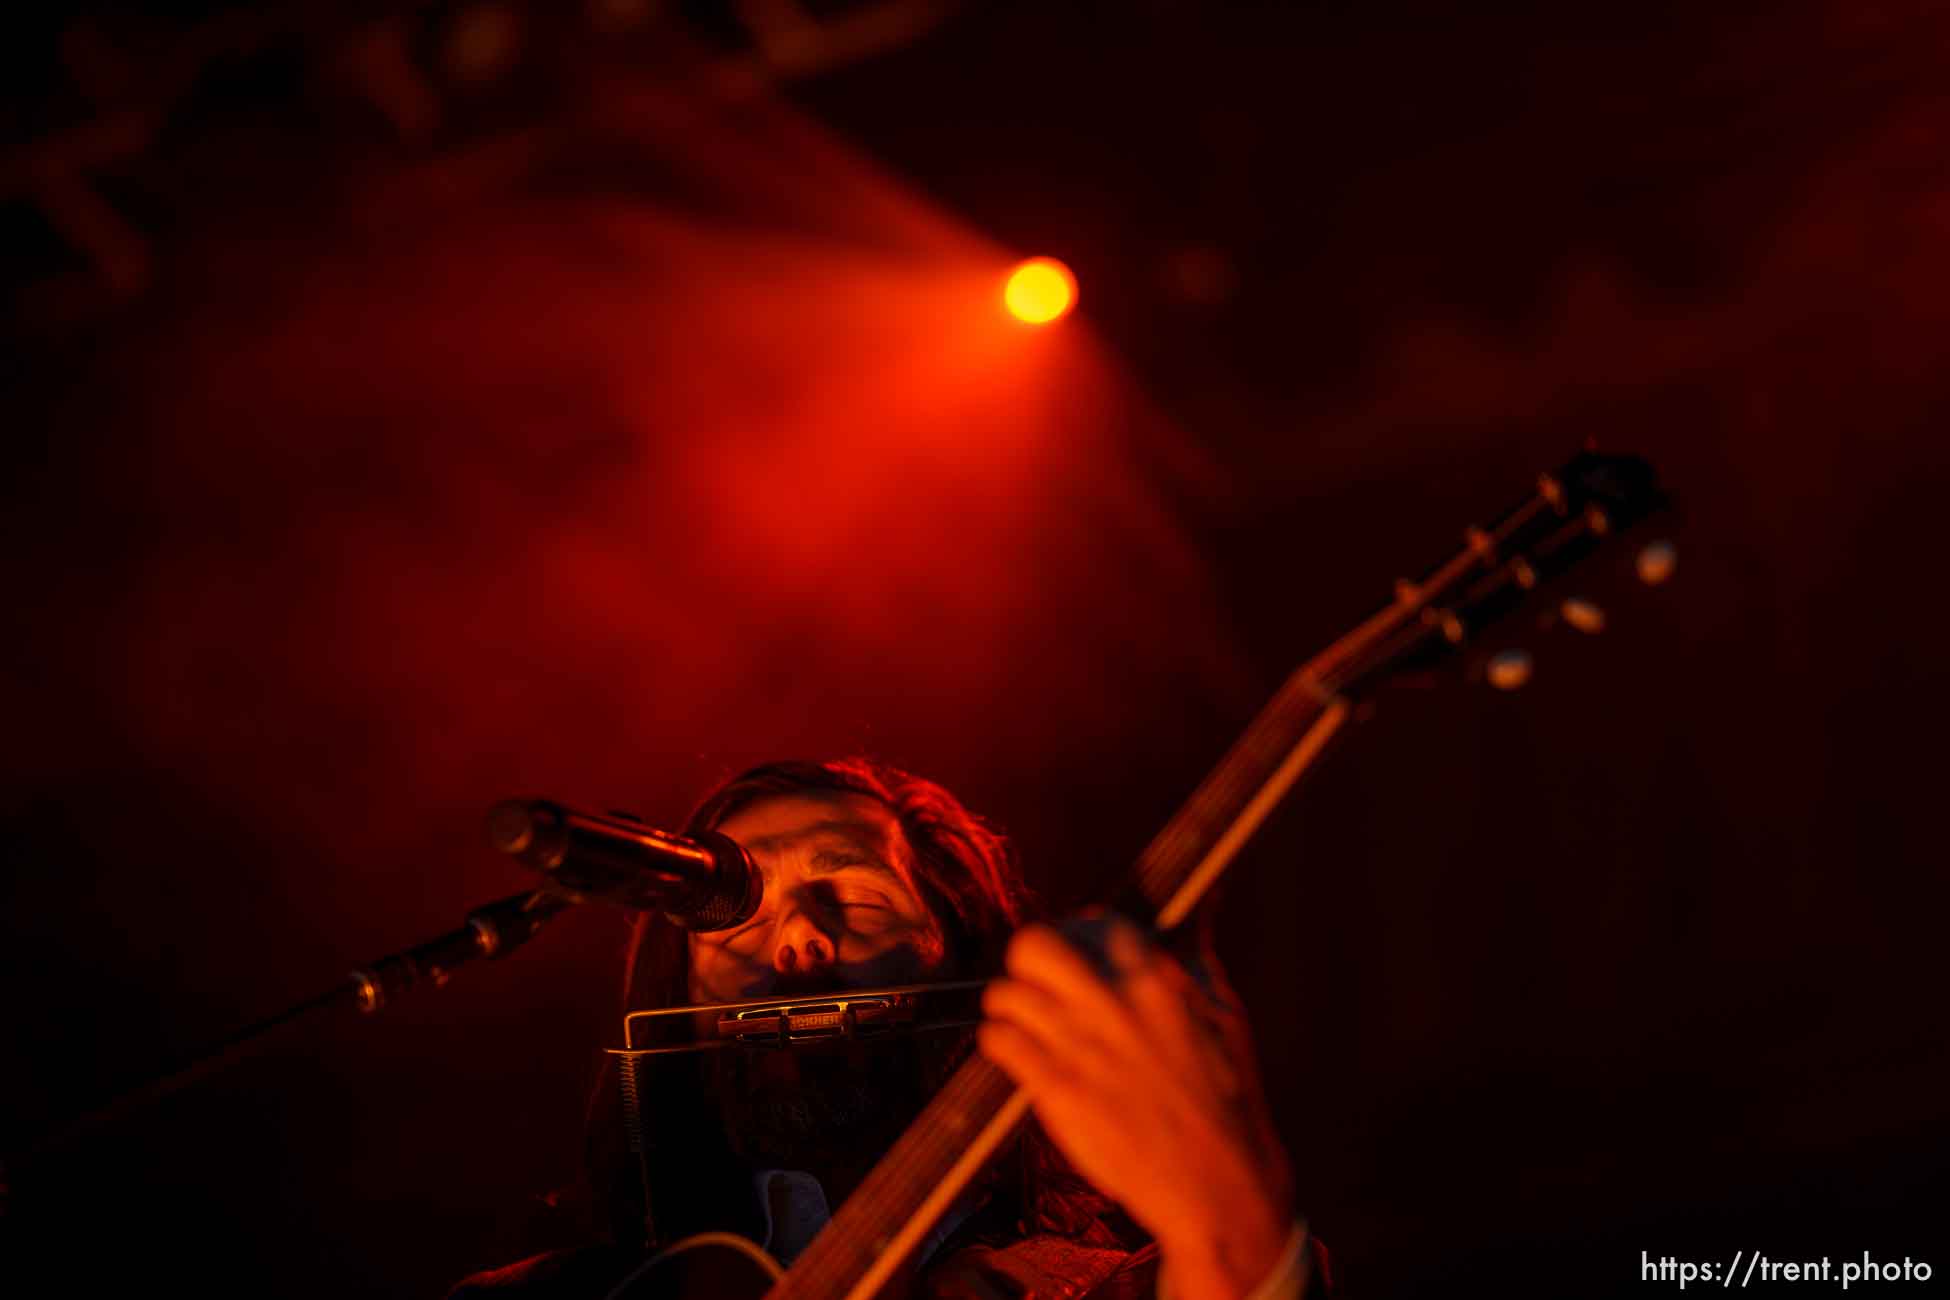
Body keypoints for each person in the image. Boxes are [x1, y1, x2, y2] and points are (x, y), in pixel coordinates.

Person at [449, 758, 1325, 1299]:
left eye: (857, 898)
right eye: (737, 915)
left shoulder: (1139, 1291)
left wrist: (1236, 1226)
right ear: (680, 988)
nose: (797, 939)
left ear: (959, 950)